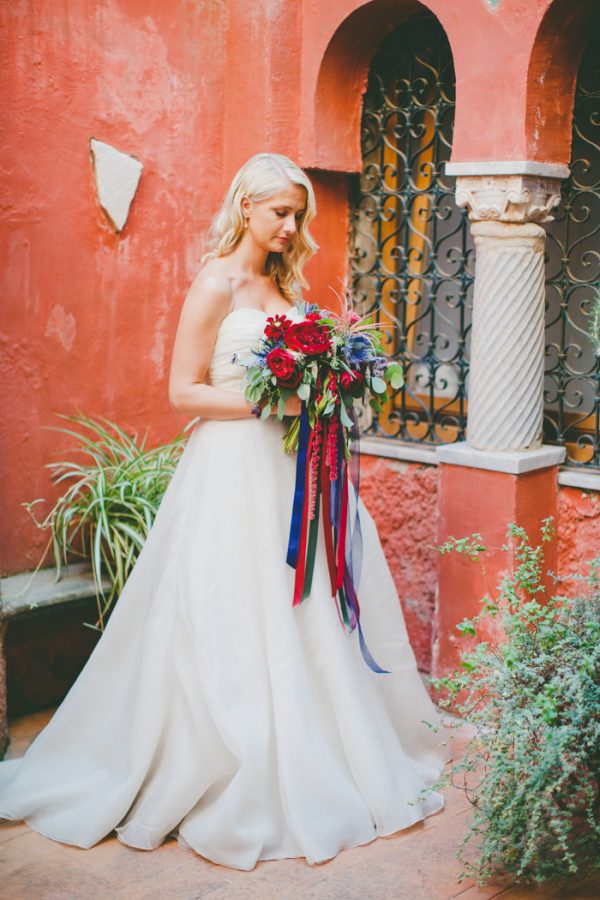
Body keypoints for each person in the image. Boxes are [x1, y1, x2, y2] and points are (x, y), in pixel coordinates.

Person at [0, 152, 451, 870]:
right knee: (236, 608)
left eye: (297, 214)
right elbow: (183, 392)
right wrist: (277, 400)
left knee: (306, 609)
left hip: (295, 474)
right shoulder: (215, 282)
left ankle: (320, 752)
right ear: (245, 207)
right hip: (232, 475)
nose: (291, 224)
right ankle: (227, 758)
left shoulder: (284, 283)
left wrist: (327, 393)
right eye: (280, 212)